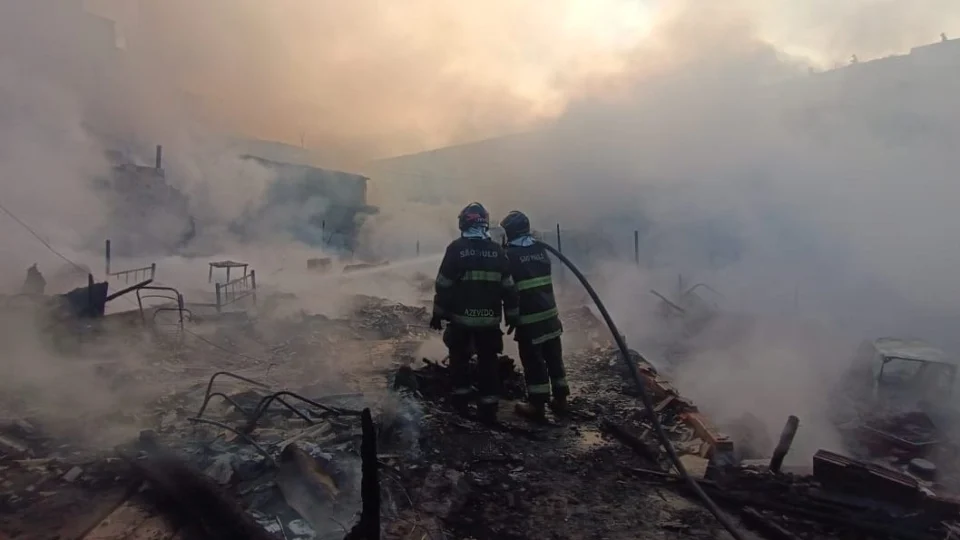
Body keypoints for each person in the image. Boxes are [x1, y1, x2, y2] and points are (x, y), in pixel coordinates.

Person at [431, 202, 519, 423]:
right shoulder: (498, 252)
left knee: (459, 359)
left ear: (463, 223)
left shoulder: (456, 249)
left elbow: (443, 285)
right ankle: (488, 409)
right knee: (488, 363)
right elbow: (509, 288)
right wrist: (513, 316)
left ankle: (461, 405)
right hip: (489, 322)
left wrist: (438, 313)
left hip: (460, 321)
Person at [499, 210, 569, 421]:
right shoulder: (540, 249)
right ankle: (561, 400)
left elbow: (509, 290)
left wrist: (510, 316)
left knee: (534, 362)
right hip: (550, 315)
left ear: (510, 232)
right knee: (554, 358)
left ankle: (537, 405)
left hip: (530, 319)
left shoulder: (509, 255)